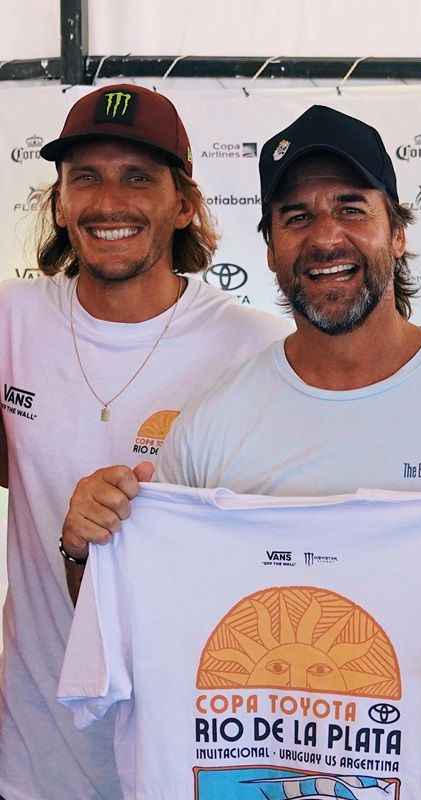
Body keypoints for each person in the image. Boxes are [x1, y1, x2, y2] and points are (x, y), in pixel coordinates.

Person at [62, 103, 421, 592]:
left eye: (351, 209)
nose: (325, 237)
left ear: (397, 232)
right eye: (297, 217)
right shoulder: (211, 421)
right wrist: (86, 552)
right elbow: (149, 604)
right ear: (270, 250)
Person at [0, 83, 291, 800]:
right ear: (60, 202)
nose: (109, 201)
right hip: (36, 755)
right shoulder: (11, 321)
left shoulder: (257, 348)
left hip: (192, 750)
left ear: (182, 203)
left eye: (138, 176)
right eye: (85, 178)